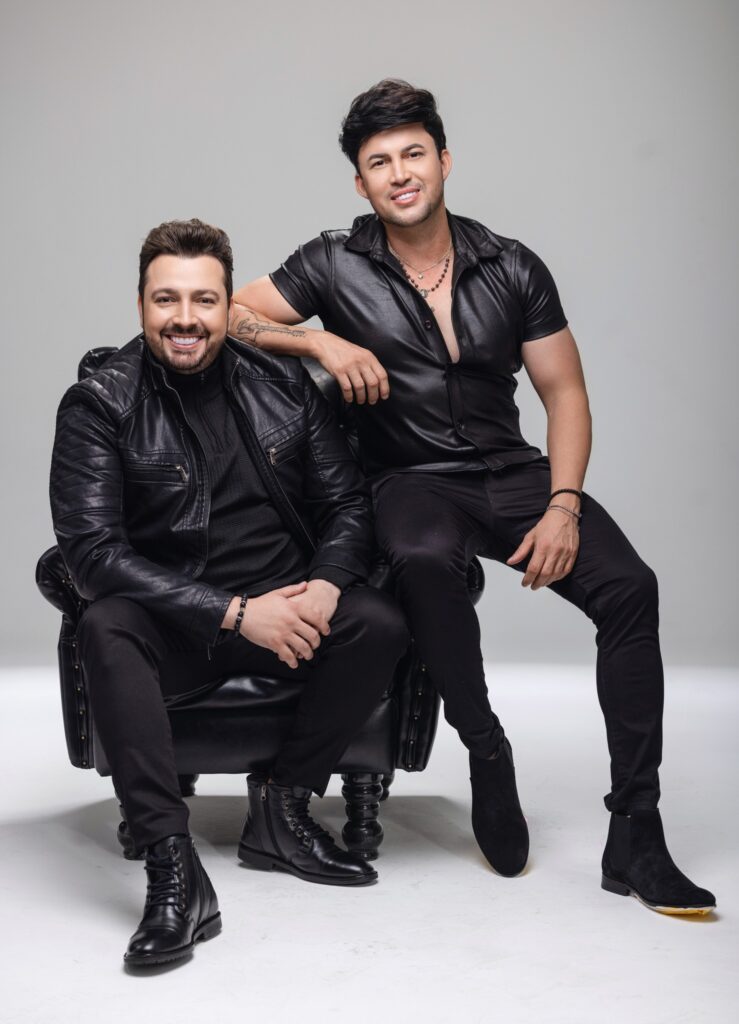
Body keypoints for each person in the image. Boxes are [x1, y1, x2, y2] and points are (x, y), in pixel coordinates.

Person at [228, 80, 715, 915]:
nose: (399, 173)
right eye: (379, 162)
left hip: (511, 471)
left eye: (413, 153)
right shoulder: (332, 262)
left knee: (632, 589)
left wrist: (561, 505)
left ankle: (635, 830)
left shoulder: (511, 264)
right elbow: (234, 313)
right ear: (360, 183)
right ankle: (485, 748)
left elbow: (564, 392)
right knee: (420, 559)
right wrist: (317, 341)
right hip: (409, 479)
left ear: (444, 160)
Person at [49, 218, 409, 967]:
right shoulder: (99, 403)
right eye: (167, 300)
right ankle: (173, 871)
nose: (185, 319)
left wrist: (324, 586)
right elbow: (91, 555)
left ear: (227, 307)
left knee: (376, 618)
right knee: (105, 625)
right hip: (179, 624)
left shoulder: (282, 384)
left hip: (288, 616)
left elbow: (347, 506)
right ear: (141, 304)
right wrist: (235, 614)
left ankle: (282, 810)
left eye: (204, 300)